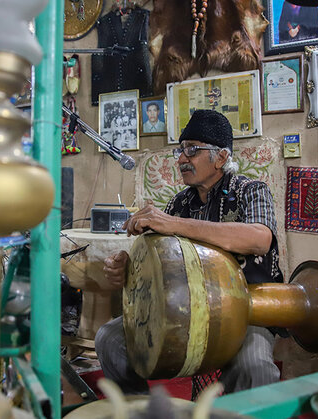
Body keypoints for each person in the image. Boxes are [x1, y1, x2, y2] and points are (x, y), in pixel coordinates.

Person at [96, 110, 283, 395]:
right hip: (188, 311)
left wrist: (175, 224)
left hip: (249, 311)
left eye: (192, 150)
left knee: (254, 366)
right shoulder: (180, 202)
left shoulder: (251, 190)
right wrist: (128, 265)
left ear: (221, 157)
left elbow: (259, 239)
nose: (182, 159)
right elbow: (157, 257)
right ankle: (143, 410)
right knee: (109, 339)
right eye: (180, 150)